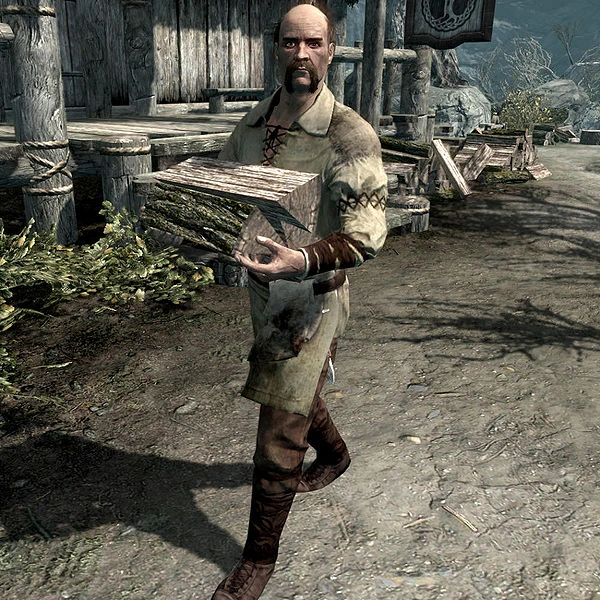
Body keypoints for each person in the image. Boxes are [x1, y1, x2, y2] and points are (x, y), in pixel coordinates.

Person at [211, 4, 388, 599]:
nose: (301, 54)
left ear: (331, 50)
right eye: (291, 43)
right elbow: (227, 190)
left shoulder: (349, 135)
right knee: (295, 391)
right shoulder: (252, 125)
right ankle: (335, 456)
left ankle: (257, 561)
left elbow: (367, 234)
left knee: (279, 427)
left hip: (314, 299)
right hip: (264, 293)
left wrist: (303, 261)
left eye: (313, 42)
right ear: (276, 48)